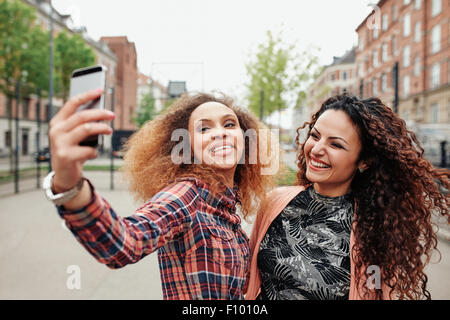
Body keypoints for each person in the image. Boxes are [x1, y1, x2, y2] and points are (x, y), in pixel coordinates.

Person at [44, 90, 274, 300]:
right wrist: (69, 185)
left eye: (229, 124)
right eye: (204, 129)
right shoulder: (187, 195)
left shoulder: (226, 206)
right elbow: (125, 243)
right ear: (187, 146)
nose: (220, 134)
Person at [245, 94, 449, 300]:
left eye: (336, 145)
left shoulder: (374, 231)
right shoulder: (274, 203)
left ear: (364, 161)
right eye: (315, 136)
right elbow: (246, 280)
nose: (316, 149)